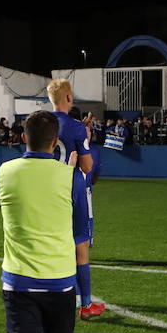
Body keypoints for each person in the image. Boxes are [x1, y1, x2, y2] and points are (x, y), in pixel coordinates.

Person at [0, 110, 88, 333]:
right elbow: (81, 231)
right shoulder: (70, 177)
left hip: (18, 281)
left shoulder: (3, 171)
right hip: (59, 281)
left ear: (23, 138)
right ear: (55, 143)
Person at [47, 79, 104, 320]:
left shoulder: (40, 123)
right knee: (80, 246)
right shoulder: (76, 127)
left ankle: (52, 301)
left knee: (49, 246)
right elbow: (87, 165)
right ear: (69, 98)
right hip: (72, 189)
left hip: (45, 190)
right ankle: (86, 304)